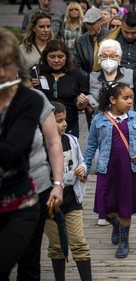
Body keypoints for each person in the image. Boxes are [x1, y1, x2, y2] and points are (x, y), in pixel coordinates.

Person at [0, 27, 43, 280]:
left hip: (19, 204)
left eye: (6, 65)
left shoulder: (29, 101)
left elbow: (11, 151)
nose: (1, 73)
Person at [84, 83, 136, 259]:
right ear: (112, 99)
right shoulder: (99, 120)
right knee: (107, 207)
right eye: (125, 98)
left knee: (125, 205)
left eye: (131, 97)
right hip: (107, 169)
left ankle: (124, 242)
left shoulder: (135, 118)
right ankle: (116, 225)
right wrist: (85, 168)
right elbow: (91, 146)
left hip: (128, 169)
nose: (130, 101)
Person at [16, 87, 65, 281]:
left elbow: (53, 142)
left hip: (34, 188)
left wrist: (58, 183)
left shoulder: (34, 99)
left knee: (28, 259)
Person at [44, 101, 92, 281]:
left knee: (79, 242)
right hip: (50, 203)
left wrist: (82, 169)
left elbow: (81, 161)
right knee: (56, 246)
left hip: (72, 198)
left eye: (65, 120)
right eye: (59, 120)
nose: (64, 124)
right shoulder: (41, 147)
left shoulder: (71, 140)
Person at [36, 39, 89, 138]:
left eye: (60, 57)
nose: (56, 60)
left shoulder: (76, 75)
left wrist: (80, 104)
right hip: (42, 125)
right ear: (45, 57)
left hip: (68, 126)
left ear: (66, 57)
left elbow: (80, 101)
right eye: (52, 57)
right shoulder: (37, 73)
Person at [73, 8, 111, 130]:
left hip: (109, 84)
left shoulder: (110, 36)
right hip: (89, 85)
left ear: (101, 21)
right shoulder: (81, 41)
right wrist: (90, 78)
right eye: (87, 24)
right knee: (93, 124)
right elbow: (76, 64)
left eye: (92, 23)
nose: (89, 26)